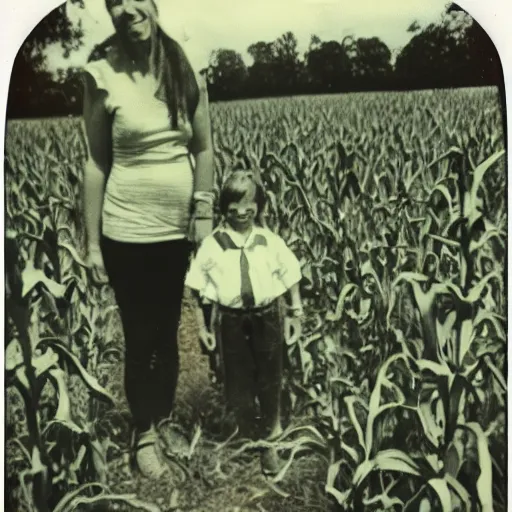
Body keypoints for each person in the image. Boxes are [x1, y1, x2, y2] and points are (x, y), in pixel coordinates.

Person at [81, 0, 214, 479]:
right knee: (140, 337)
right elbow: (96, 163)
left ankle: (165, 419)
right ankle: (143, 434)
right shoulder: (101, 73)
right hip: (126, 233)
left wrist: (202, 216)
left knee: (167, 332)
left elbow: (202, 148)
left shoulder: (183, 68)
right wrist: (93, 244)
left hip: (175, 232)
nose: (126, 8)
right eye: (114, 1)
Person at [185, 170, 304, 476]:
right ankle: (247, 433)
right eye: (233, 205)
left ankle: (272, 433)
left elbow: (290, 276)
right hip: (232, 322)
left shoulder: (268, 240)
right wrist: (202, 327)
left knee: (271, 373)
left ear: (260, 205)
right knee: (237, 379)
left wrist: (296, 312)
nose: (241, 211)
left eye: (249, 203)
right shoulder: (213, 245)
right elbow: (199, 292)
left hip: (268, 317)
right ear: (223, 208)